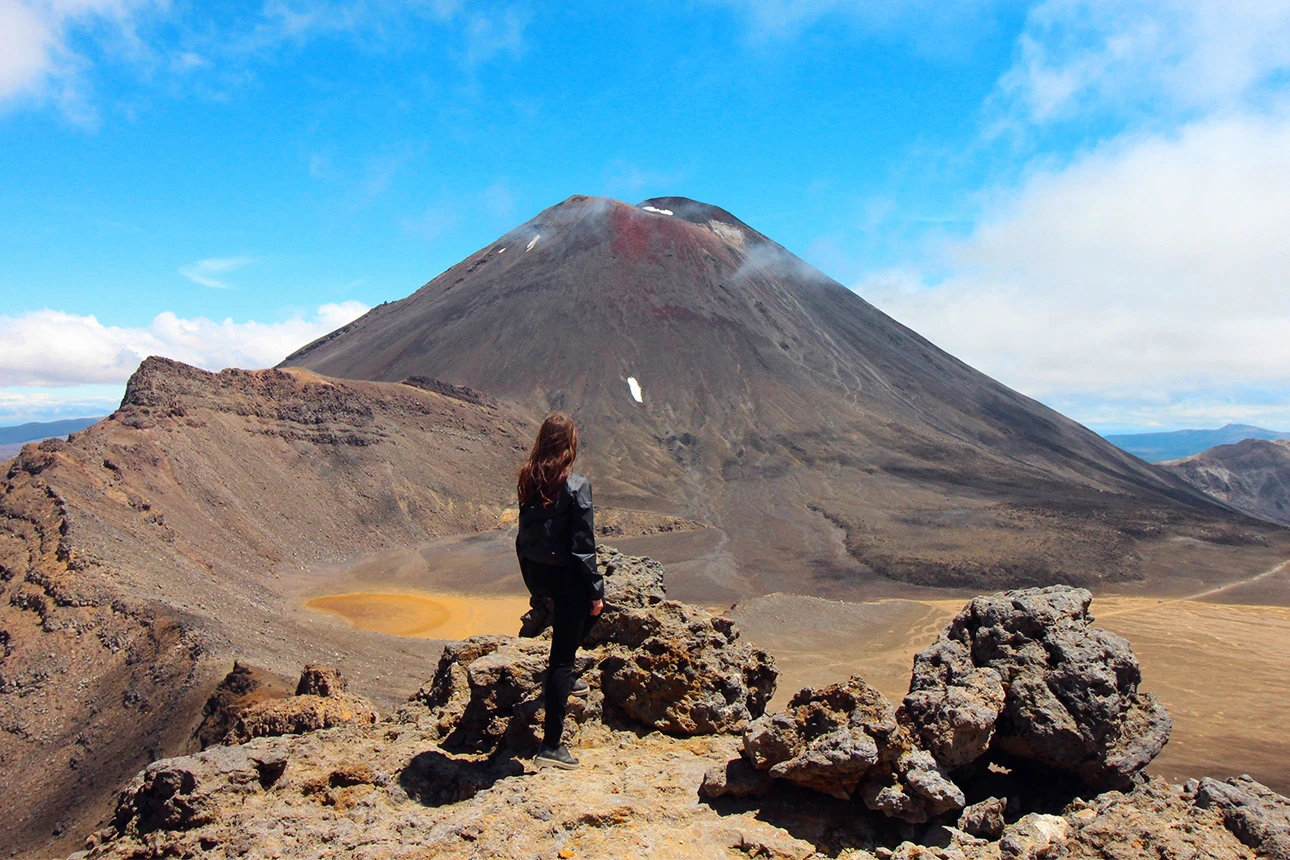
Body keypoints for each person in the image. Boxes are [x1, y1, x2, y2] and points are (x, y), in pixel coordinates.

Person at [515, 411, 604, 770]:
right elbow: (583, 546)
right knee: (563, 658)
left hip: (540, 575)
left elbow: (525, 533)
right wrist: (595, 589)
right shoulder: (576, 485)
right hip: (567, 580)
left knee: (564, 655)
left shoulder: (528, 477)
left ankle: (566, 679)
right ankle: (551, 746)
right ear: (570, 444)